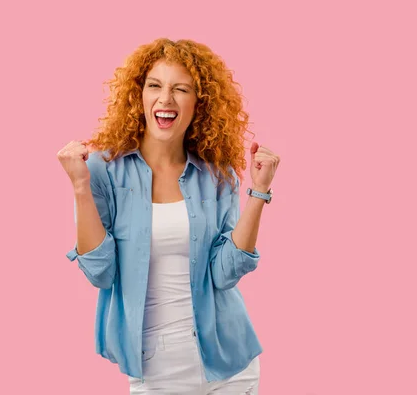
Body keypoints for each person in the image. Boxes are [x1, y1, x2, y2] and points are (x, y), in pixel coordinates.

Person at [57, 38, 280, 394]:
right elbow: (101, 272)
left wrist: (258, 192)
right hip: (154, 368)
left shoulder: (216, 175)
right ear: (138, 95)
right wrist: (80, 188)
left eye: (181, 89)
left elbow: (225, 273)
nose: (165, 99)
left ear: (199, 103)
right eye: (155, 86)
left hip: (227, 362)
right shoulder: (103, 171)